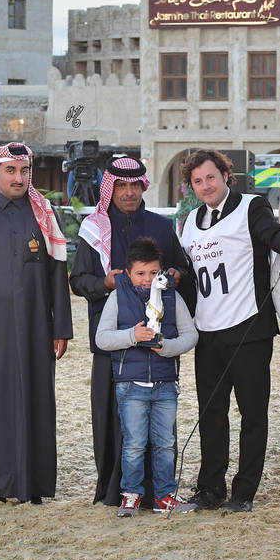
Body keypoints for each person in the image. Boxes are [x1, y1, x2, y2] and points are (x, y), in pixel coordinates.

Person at [179, 148, 280, 513]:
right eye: (197, 181)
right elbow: (187, 270)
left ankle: (243, 492)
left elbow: (272, 234)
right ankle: (210, 488)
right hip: (207, 331)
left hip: (248, 328)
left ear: (225, 175)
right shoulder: (191, 220)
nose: (205, 185)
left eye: (211, 177)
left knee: (253, 414)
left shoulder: (250, 207)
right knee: (211, 413)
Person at [70, 155, 195, 508]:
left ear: (143, 187)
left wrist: (175, 276)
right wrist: (105, 282)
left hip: (159, 343)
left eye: (134, 186)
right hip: (112, 340)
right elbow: (78, 281)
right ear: (110, 188)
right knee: (112, 418)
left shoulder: (159, 226)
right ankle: (117, 491)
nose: (128, 193)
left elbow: (182, 269)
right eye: (121, 186)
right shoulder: (94, 228)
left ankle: (161, 492)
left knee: (158, 422)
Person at [0, 142, 73, 505]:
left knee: (36, 398)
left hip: (36, 327)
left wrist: (61, 328)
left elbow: (57, 274)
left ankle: (33, 483)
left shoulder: (42, 215)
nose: (19, 178)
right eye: (10, 171)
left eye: (24, 171)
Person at [95, 237, 198, 516]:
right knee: (134, 443)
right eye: (140, 273)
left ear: (162, 271)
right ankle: (131, 495)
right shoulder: (118, 296)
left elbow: (191, 336)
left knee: (165, 443)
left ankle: (164, 496)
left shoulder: (172, 296)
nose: (147, 279)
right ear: (127, 273)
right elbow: (101, 338)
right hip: (130, 385)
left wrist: (167, 347)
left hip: (166, 384)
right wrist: (132, 336)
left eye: (154, 273)